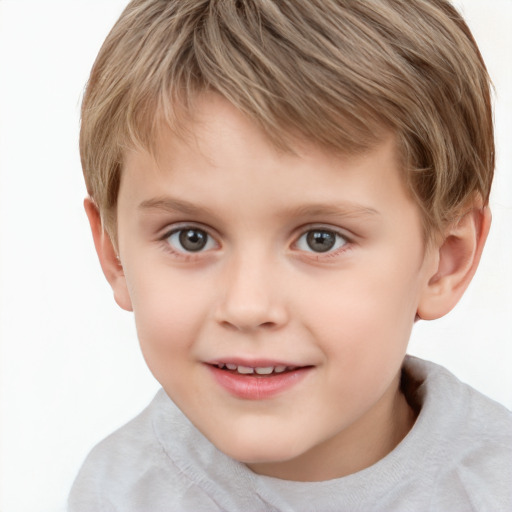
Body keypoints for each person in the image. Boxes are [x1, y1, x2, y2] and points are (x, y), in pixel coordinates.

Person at [68, 0, 512, 510]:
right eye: (191, 237)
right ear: (116, 255)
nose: (248, 306)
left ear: (445, 261)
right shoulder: (117, 492)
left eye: (320, 239)